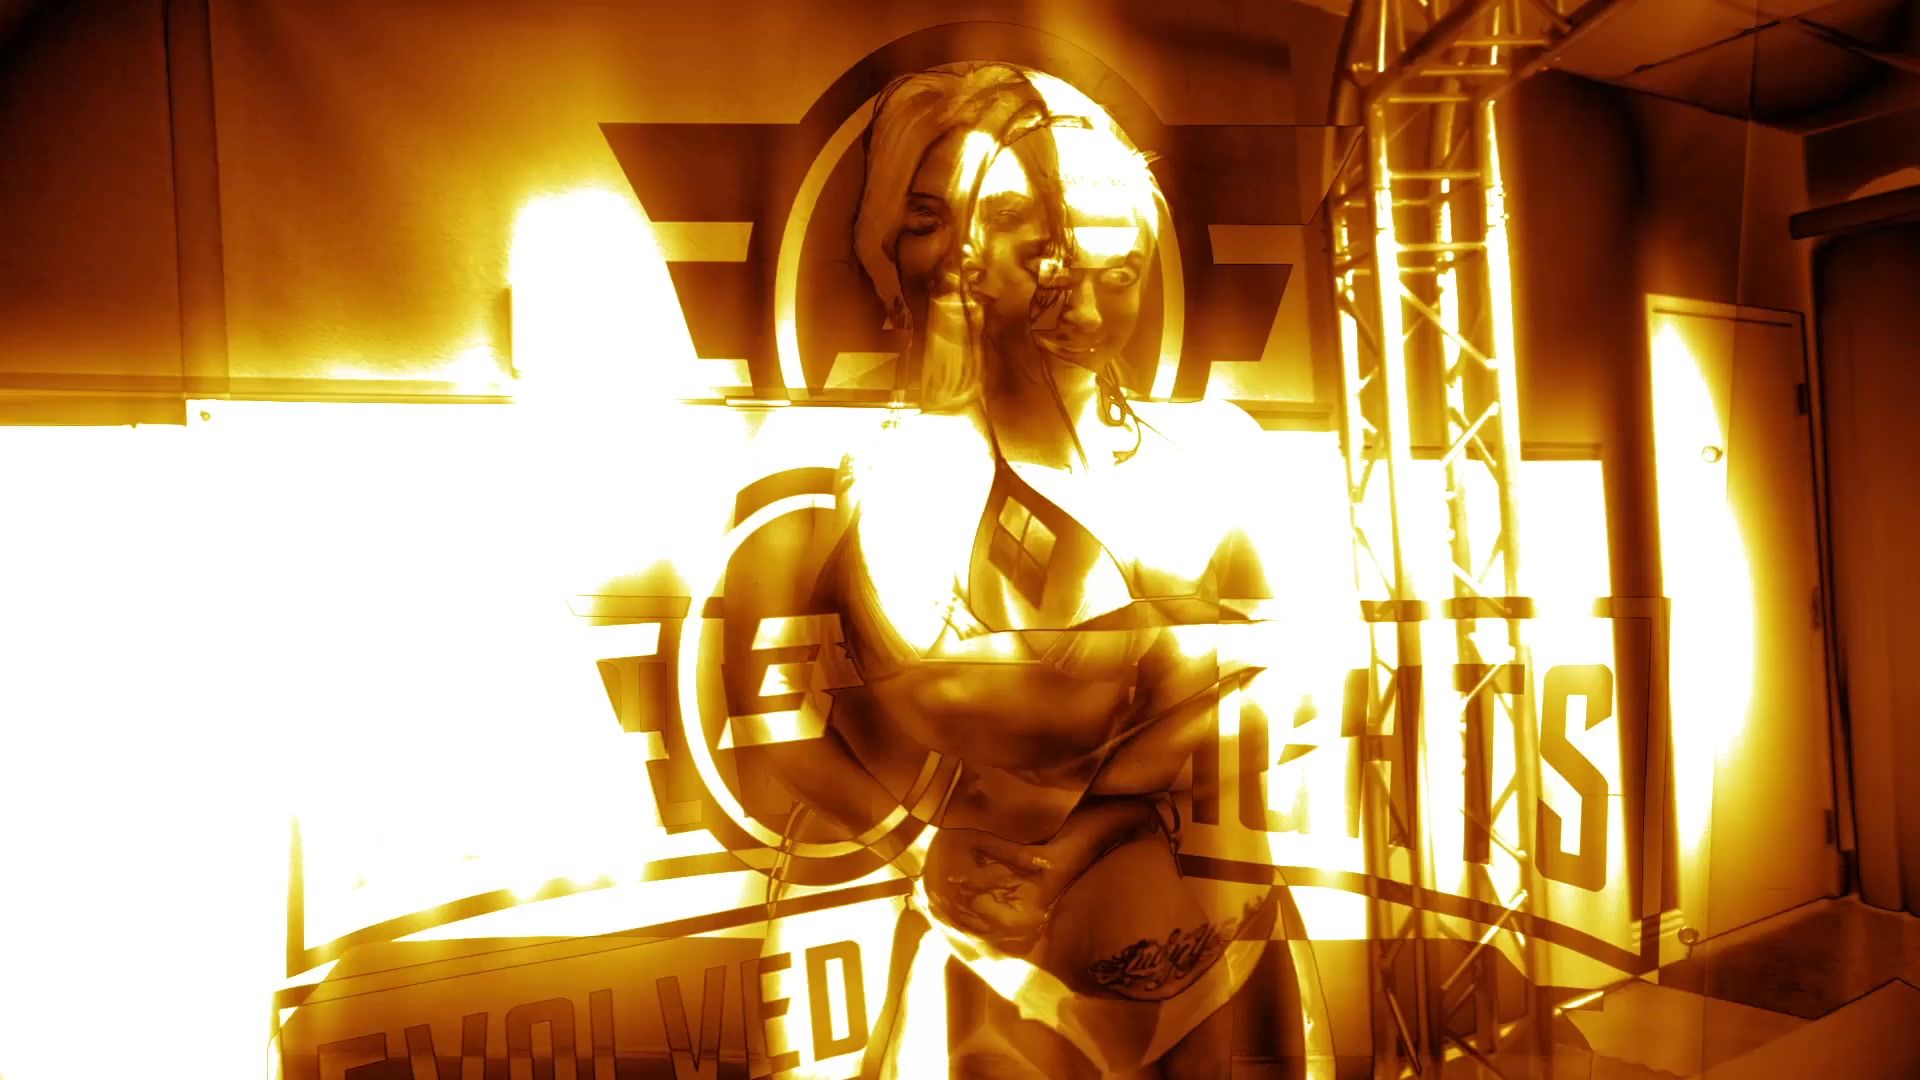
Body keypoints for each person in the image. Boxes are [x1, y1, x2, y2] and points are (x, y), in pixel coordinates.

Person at [742, 63, 1295, 1078]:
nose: (966, 255)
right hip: (946, 953)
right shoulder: (837, 462)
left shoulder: (1209, 458)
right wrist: (915, 844)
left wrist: (1071, 842)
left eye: (1009, 219)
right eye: (934, 219)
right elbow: (768, 712)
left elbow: (1282, 680)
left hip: (1188, 954)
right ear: (889, 240)